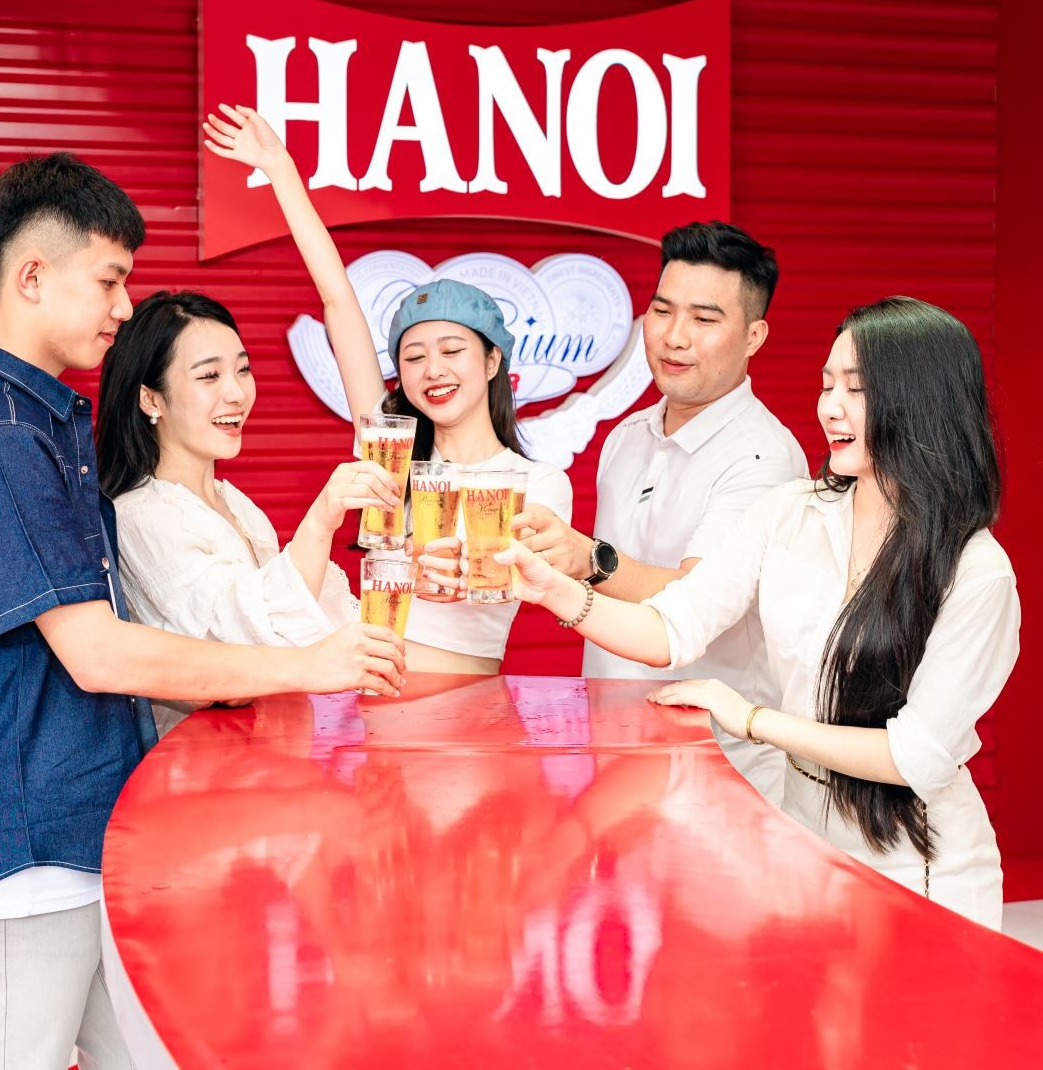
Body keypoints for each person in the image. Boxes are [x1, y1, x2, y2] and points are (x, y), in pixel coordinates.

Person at [0, 153, 405, 1069]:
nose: (123, 305)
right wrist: (307, 665)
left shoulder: (44, 426)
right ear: (32, 276)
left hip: (88, 832)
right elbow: (97, 653)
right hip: (25, 851)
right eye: (109, 280)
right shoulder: (0, 440)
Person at [499, 297, 1019, 929]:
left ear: (921, 403)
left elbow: (915, 757)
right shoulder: (790, 511)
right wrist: (556, 591)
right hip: (801, 846)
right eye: (826, 384)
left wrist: (751, 719)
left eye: (856, 389)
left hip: (919, 869)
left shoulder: (977, 570)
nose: (830, 407)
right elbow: (671, 625)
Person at [203, 104, 573, 675]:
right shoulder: (390, 454)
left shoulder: (538, 482)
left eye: (452, 351)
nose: (433, 371)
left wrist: (449, 560)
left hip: (463, 701)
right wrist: (279, 168)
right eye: (414, 358)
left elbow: (516, 573)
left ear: (492, 361)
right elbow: (338, 301)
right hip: (364, 682)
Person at [511, 221, 807, 800]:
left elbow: (698, 599)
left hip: (717, 766)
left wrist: (587, 560)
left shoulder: (763, 457)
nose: (674, 337)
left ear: (754, 337)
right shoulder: (626, 436)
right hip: (613, 752)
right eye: (662, 311)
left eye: (704, 319)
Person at [95, 289, 405, 736]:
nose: (237, 393)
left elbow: (311, 631)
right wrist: (321, 518)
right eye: (209, 376)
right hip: (198, 760)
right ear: (151, 400)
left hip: (265, 748)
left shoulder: (236, 504)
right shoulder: (139, 516)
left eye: (243, 370)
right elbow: (235, 653)